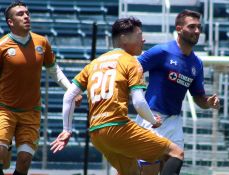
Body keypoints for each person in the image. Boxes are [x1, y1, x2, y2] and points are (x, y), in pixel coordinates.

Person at [50, 17, 184, 175]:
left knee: (131, 172)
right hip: (118, 128)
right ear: (124, 38)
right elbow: (139, 102)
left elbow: (69, 96)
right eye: (139, 35)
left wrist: (67, 129)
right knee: (176, 153)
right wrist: (154, 121)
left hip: (96, 134)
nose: (143, 39)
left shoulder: (94, 63)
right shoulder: (131, 62)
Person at [0, 1, 82, 175]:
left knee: (24, 161)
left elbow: (54, 70)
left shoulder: (42, 42)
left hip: (31, 111)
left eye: (27, 13)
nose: (26, 16)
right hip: (4, 109)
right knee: (0, 153)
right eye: (20, 14)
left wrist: (71, 90)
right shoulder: (2, 46)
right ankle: (4, 154)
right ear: (10, 22)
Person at [135, 9, 220, 175]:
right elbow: (132, 68)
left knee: (177, 156)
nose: (197, 31)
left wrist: (208, 102)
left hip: (174, 121)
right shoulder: (161, 51)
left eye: (199, 27)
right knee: (149, 171)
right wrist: (136, 90)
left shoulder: (197, 64)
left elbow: (198, 98)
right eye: (192, 27)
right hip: (152, 118)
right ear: (179, 28)